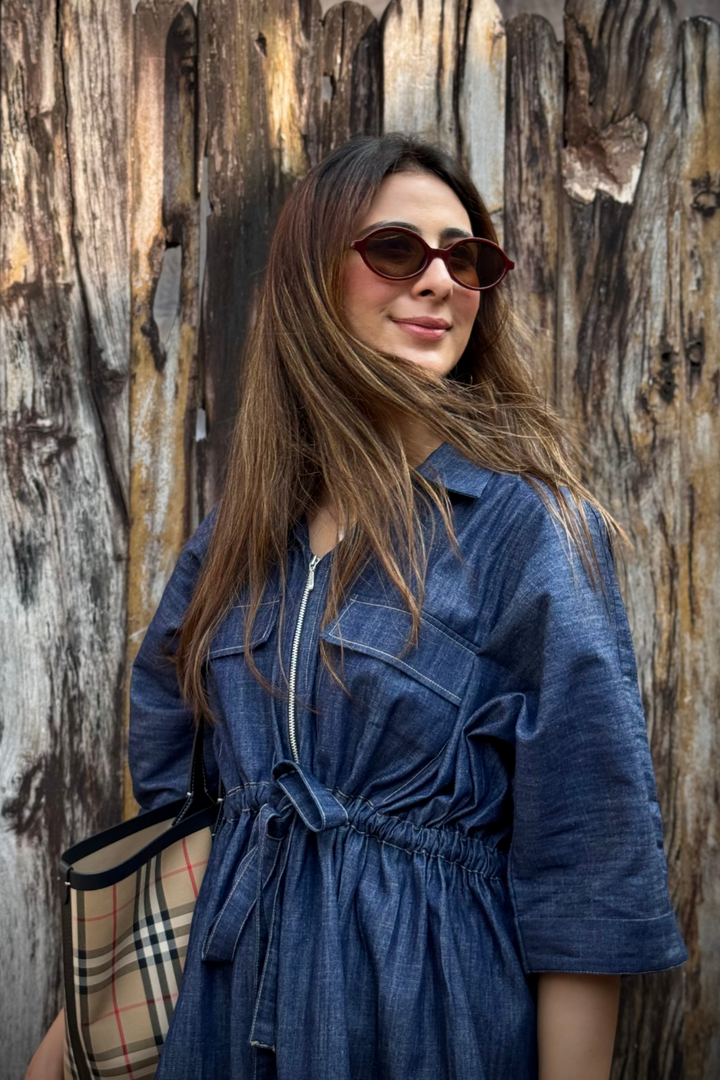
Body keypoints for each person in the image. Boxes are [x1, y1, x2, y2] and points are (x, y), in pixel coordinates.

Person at [27, 133, 686, 1080]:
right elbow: (183, 834)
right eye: (394, 250)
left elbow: (589, 867)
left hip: (423, 1016)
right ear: (312, 280)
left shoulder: (526, 531)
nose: (438, 281)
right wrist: (60, 1052)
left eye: (465, 259)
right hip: (214, 1019)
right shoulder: (236, 540)